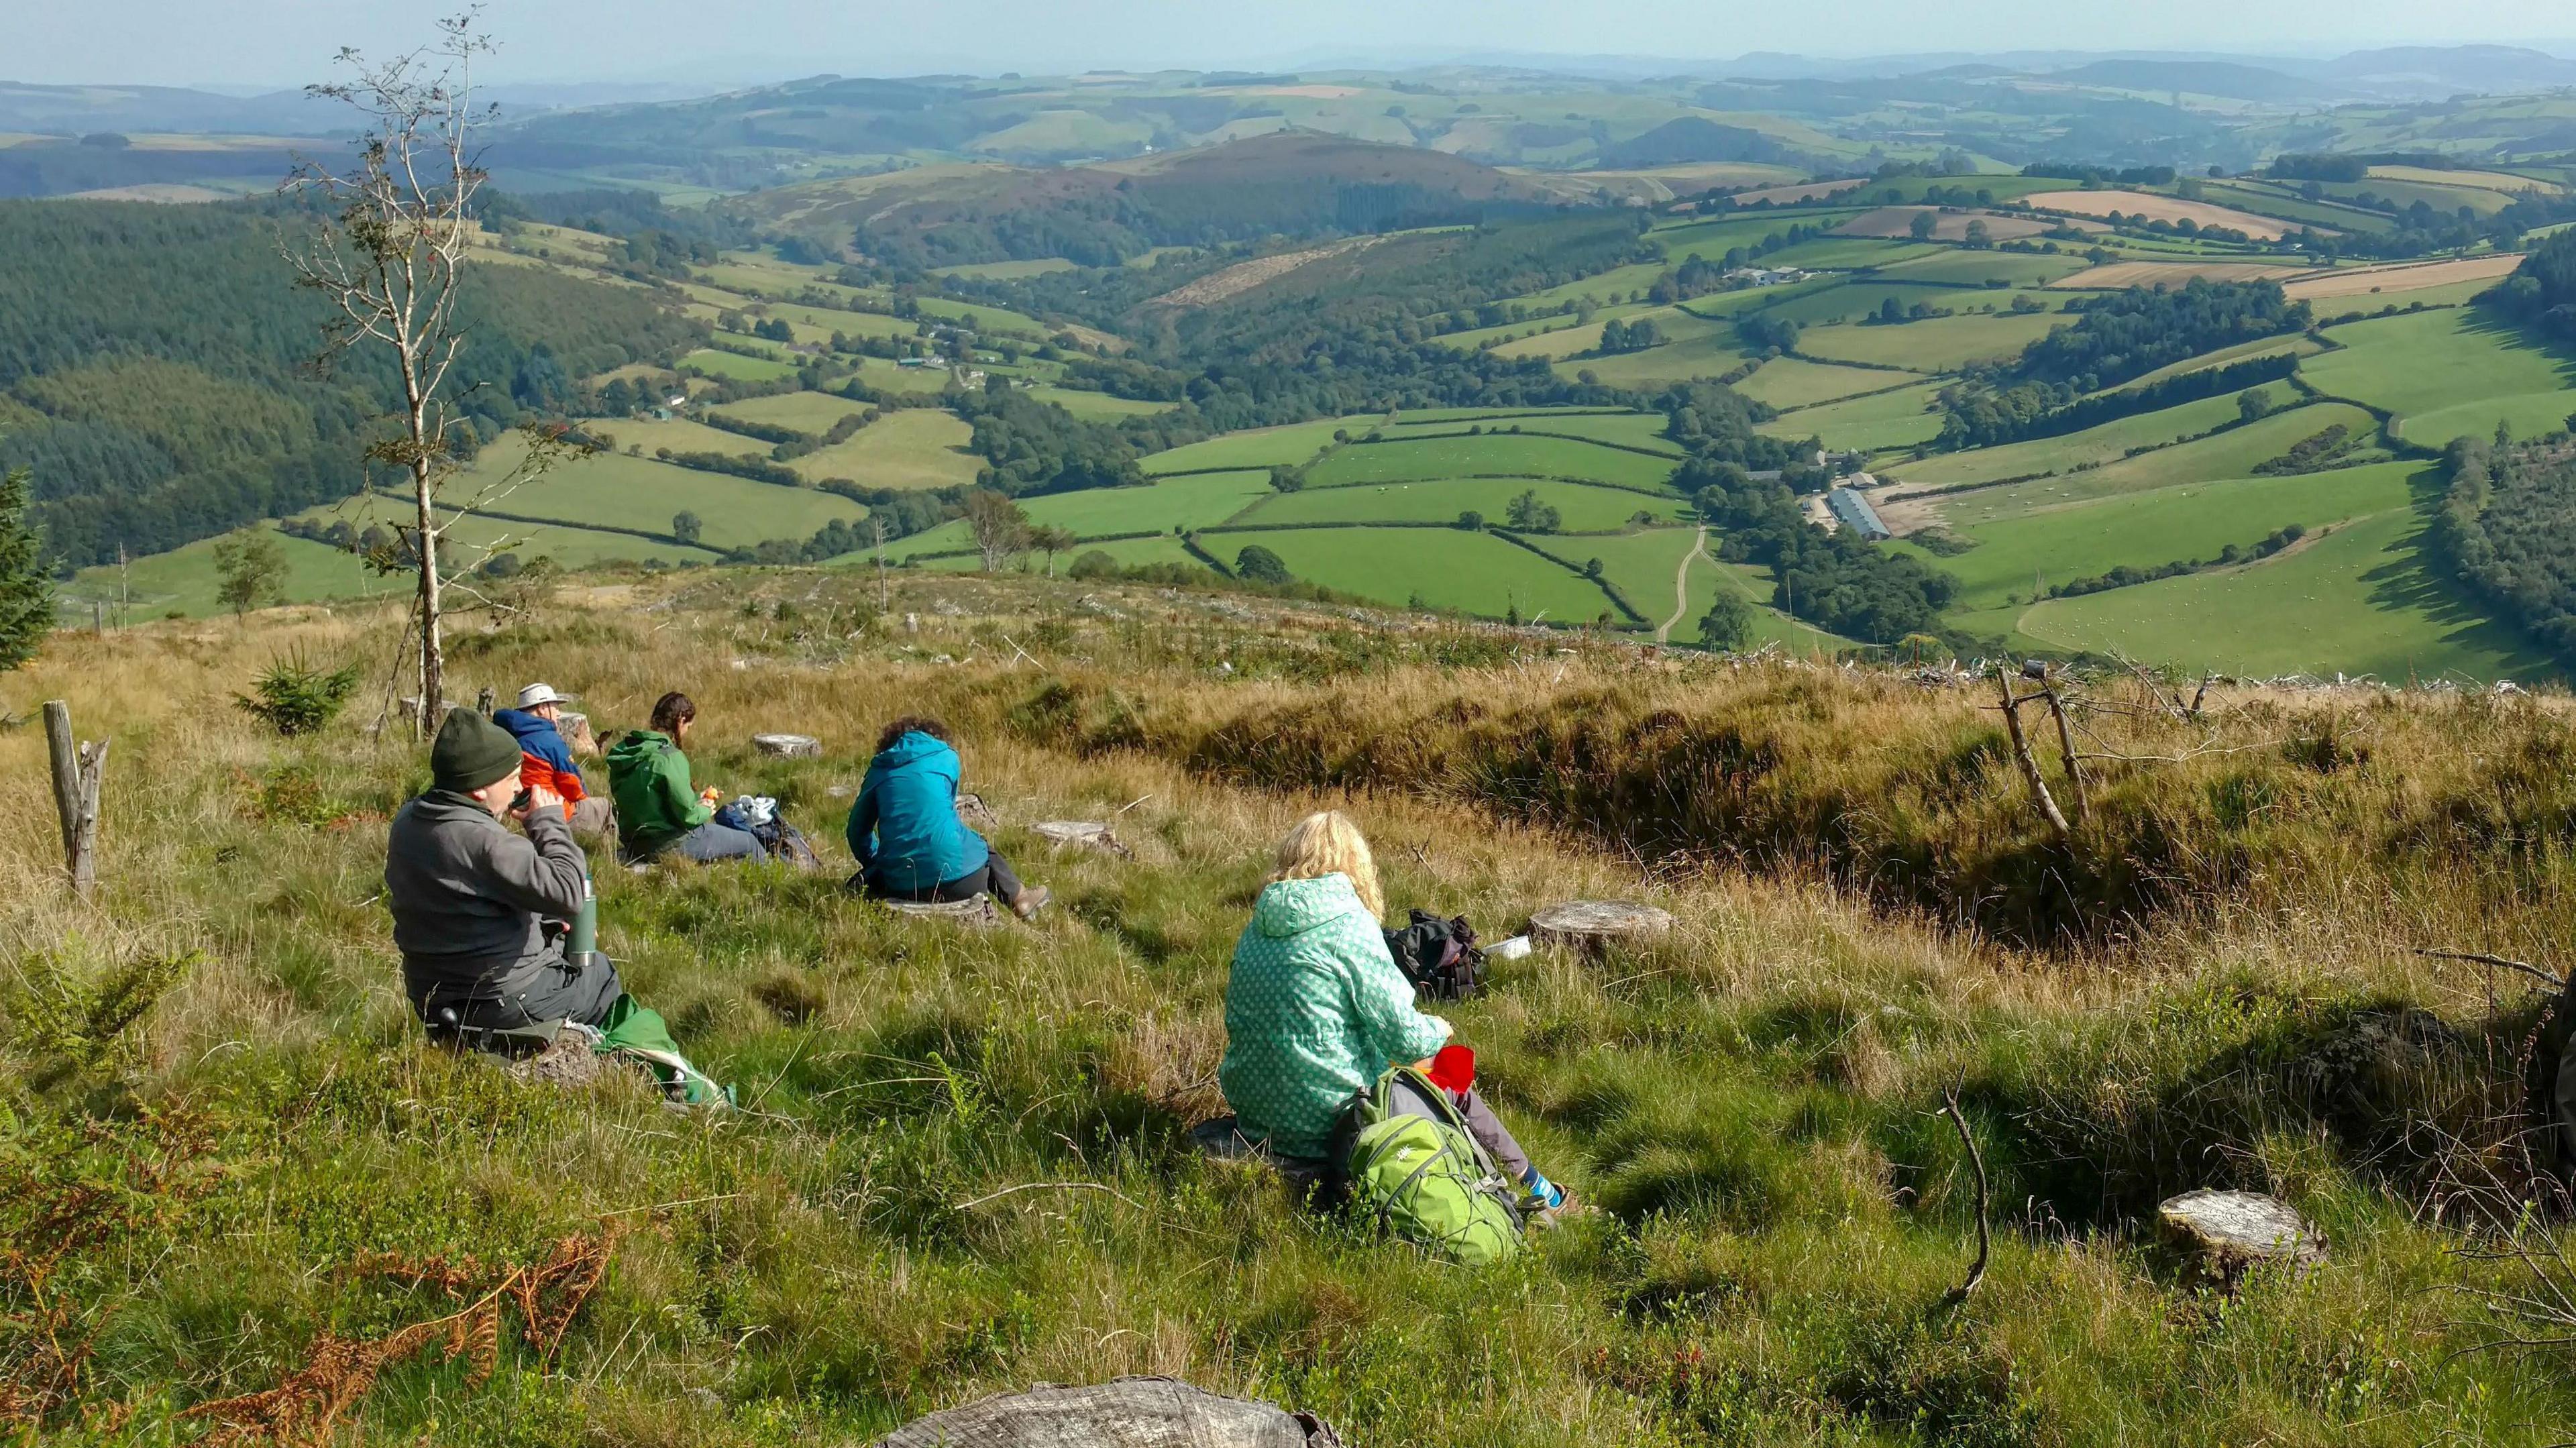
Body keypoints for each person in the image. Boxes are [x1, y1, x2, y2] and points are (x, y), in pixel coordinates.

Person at [1218, 810, 1575, 1217]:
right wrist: (1437, 1027)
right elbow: (1404, 1039)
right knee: (1449, 1075)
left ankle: (1522, 1186)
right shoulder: (1348, 927)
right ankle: (1535, 1192)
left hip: (1256, 1117)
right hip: (1329, 1123)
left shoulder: (1256, 928)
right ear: (1357, 866)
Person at [386, 707, 621, 1029]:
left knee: (556, 934)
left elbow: (470, 900)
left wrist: (547, 922)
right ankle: (612, 1068)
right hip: (499, 1001)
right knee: (601, 975)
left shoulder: (408, 822)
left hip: (432, 997)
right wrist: (549, 822)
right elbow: (570, 892)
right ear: (480, 788)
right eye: (511, 779)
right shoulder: (488, 842)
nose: (517, 787)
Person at [847, 716, 1049, 918]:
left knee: (859, 883)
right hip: (966, 881)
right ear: (936, 736)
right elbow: (947, 812)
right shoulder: (947, 757)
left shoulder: (880, 769)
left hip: (900, 884)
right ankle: (1020, 898)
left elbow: (857, 831)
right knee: (981, 846)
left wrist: (876, 860)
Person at [606, 691, 765, 865]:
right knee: (750, 843)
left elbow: (653, 799)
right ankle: (765, 882)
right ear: (681, 720)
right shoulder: (669, 758)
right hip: (668, 844)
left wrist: (697, 798)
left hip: (635, 843)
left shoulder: (627, 751)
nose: (687, 732)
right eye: (688, 726)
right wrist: (706, 810)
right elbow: (688, 816)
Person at [493, 682, 612, 838]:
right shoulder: (549, 740)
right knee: (605, 806)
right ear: (542, 708)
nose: (558, 713)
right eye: (555, 706)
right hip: (555, 814)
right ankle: (612, 850)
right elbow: (572, 786)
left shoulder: (504, 735)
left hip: (519, 812)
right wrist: (585, 802)